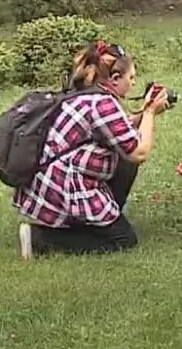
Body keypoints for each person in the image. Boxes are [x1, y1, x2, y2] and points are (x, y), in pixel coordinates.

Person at [14, 41, 169, 258]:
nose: (133, 83)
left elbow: (118, 130)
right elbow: (138, 152)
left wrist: (143, 112)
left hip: (49, 176)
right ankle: (39, 239)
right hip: (63, 183)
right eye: (131, 78)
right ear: (115, 79)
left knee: (124, 163)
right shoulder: (102, 103)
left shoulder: (89, 94)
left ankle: (98, 221)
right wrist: (151, 113)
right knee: (124, 240)